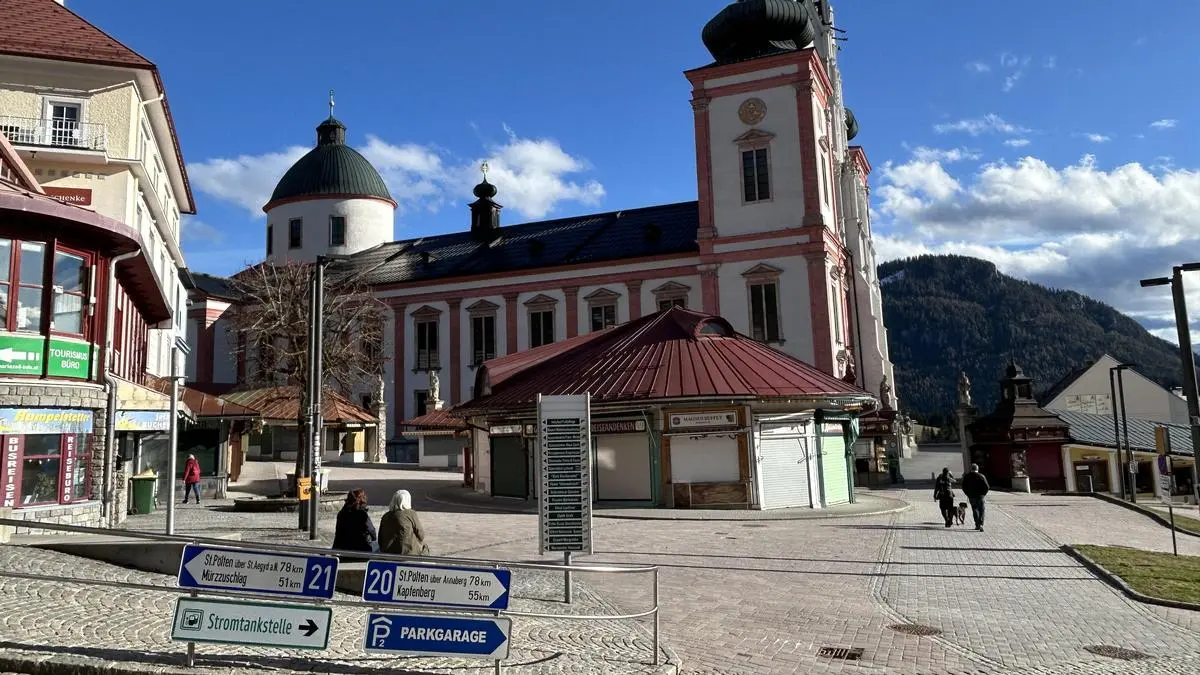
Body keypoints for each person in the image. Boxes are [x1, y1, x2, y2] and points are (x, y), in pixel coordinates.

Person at [379, 489, 430, 556]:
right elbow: (421, 535)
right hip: (408, 553)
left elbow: (380, 538)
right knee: (425, 548)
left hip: (388, 552)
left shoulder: (385, 516)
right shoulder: (410, 513)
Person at [961, 463, 991, 531]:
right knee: (982, 510)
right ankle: (981, 524)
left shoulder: (967, 476)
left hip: (971, 496)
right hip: (980, 496)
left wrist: (967, 494)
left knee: (975, 509)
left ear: (971, 469)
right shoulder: (981, 476)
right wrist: (983, 494)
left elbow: (963, 487)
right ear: (977, 469)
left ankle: (977, 524)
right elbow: (987, 487)